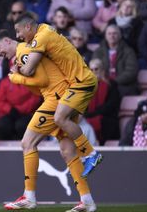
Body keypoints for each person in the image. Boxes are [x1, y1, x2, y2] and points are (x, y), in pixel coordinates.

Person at [0, 29, 97, 212]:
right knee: (67, 151)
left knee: (27, 143)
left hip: (55, 99)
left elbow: (42, 79)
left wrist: (17, 78)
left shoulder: (23, 52)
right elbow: (38, 85)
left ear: (8, 40)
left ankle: (29, 196)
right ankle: (87, 200)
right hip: (62, 96)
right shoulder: (24, 54)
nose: (0, 55)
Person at [14, 14, 103, 178]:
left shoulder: (41, 37)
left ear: (28, 27)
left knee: (59, 118)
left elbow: (29, 70)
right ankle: (86, 196)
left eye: (18, 31)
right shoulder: (46, 29)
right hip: (76, 83)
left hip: (82, 81)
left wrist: (15, 72)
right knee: (63, 129)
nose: (18, 37)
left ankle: (90, 154)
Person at [92, 24, 138, 97]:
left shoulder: (128, 51)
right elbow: (94, 70)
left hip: (123, 85)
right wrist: (105, 81)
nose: (112, 36)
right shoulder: (98, 52)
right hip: (103, 84)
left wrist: (113, 82)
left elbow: (131, 72)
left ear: (120, 35)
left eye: (114, 33)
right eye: (109, 34)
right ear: (105, 36)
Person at [85, 58, 120, 145]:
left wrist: (93, 114)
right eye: (91, 69)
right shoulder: (86, 87)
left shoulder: (111, 84)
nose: (94, 72)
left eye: (96, 69)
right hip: (90, 117)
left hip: (107, 118)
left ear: (102, 69)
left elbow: (111, 105)